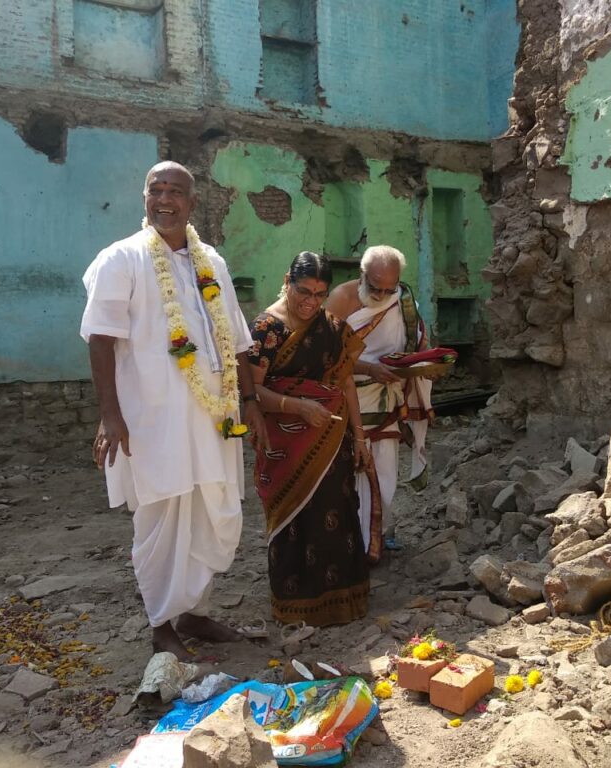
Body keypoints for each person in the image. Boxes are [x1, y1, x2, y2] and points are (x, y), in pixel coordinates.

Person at [80, 161, 268, 661]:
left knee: (212, 511)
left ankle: (195, 612)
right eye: (155, 189)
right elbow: (100, 339)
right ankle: (161, 623)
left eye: (175, 191)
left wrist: (251, 403)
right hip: (154, 419)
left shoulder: (214, 263)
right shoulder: (121, 259)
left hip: (213, 418)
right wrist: (110, 414)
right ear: (143, 196)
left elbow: (240, 343)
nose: (164, 199)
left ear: (192, 201)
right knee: (161, 517)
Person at [247, 252, 373, 627]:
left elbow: (345, 381)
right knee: (295, 521)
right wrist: (296, 406)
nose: (311, 302)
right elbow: (251, 391)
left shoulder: (331, 326)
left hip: (333, 441)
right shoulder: (266, 329)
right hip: (284, 446)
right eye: (303, 291)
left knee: (337, 515)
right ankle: (295, 606)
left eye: (320, 294)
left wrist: (360, 437)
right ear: (287, 281)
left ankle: (344, 602)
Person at [325, 245, 434, 552]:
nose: (383, 296)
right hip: (348, 398)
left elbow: (414, 345)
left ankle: (379, 532)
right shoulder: (342, 299)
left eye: (391, 289)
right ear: (362, 276)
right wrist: (370, 370)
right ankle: (347, 537)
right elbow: (326, 356)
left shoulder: (404, 301)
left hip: (387, 397)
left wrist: (423, 366)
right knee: (348, 468)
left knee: (385, 465)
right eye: (376, 288)